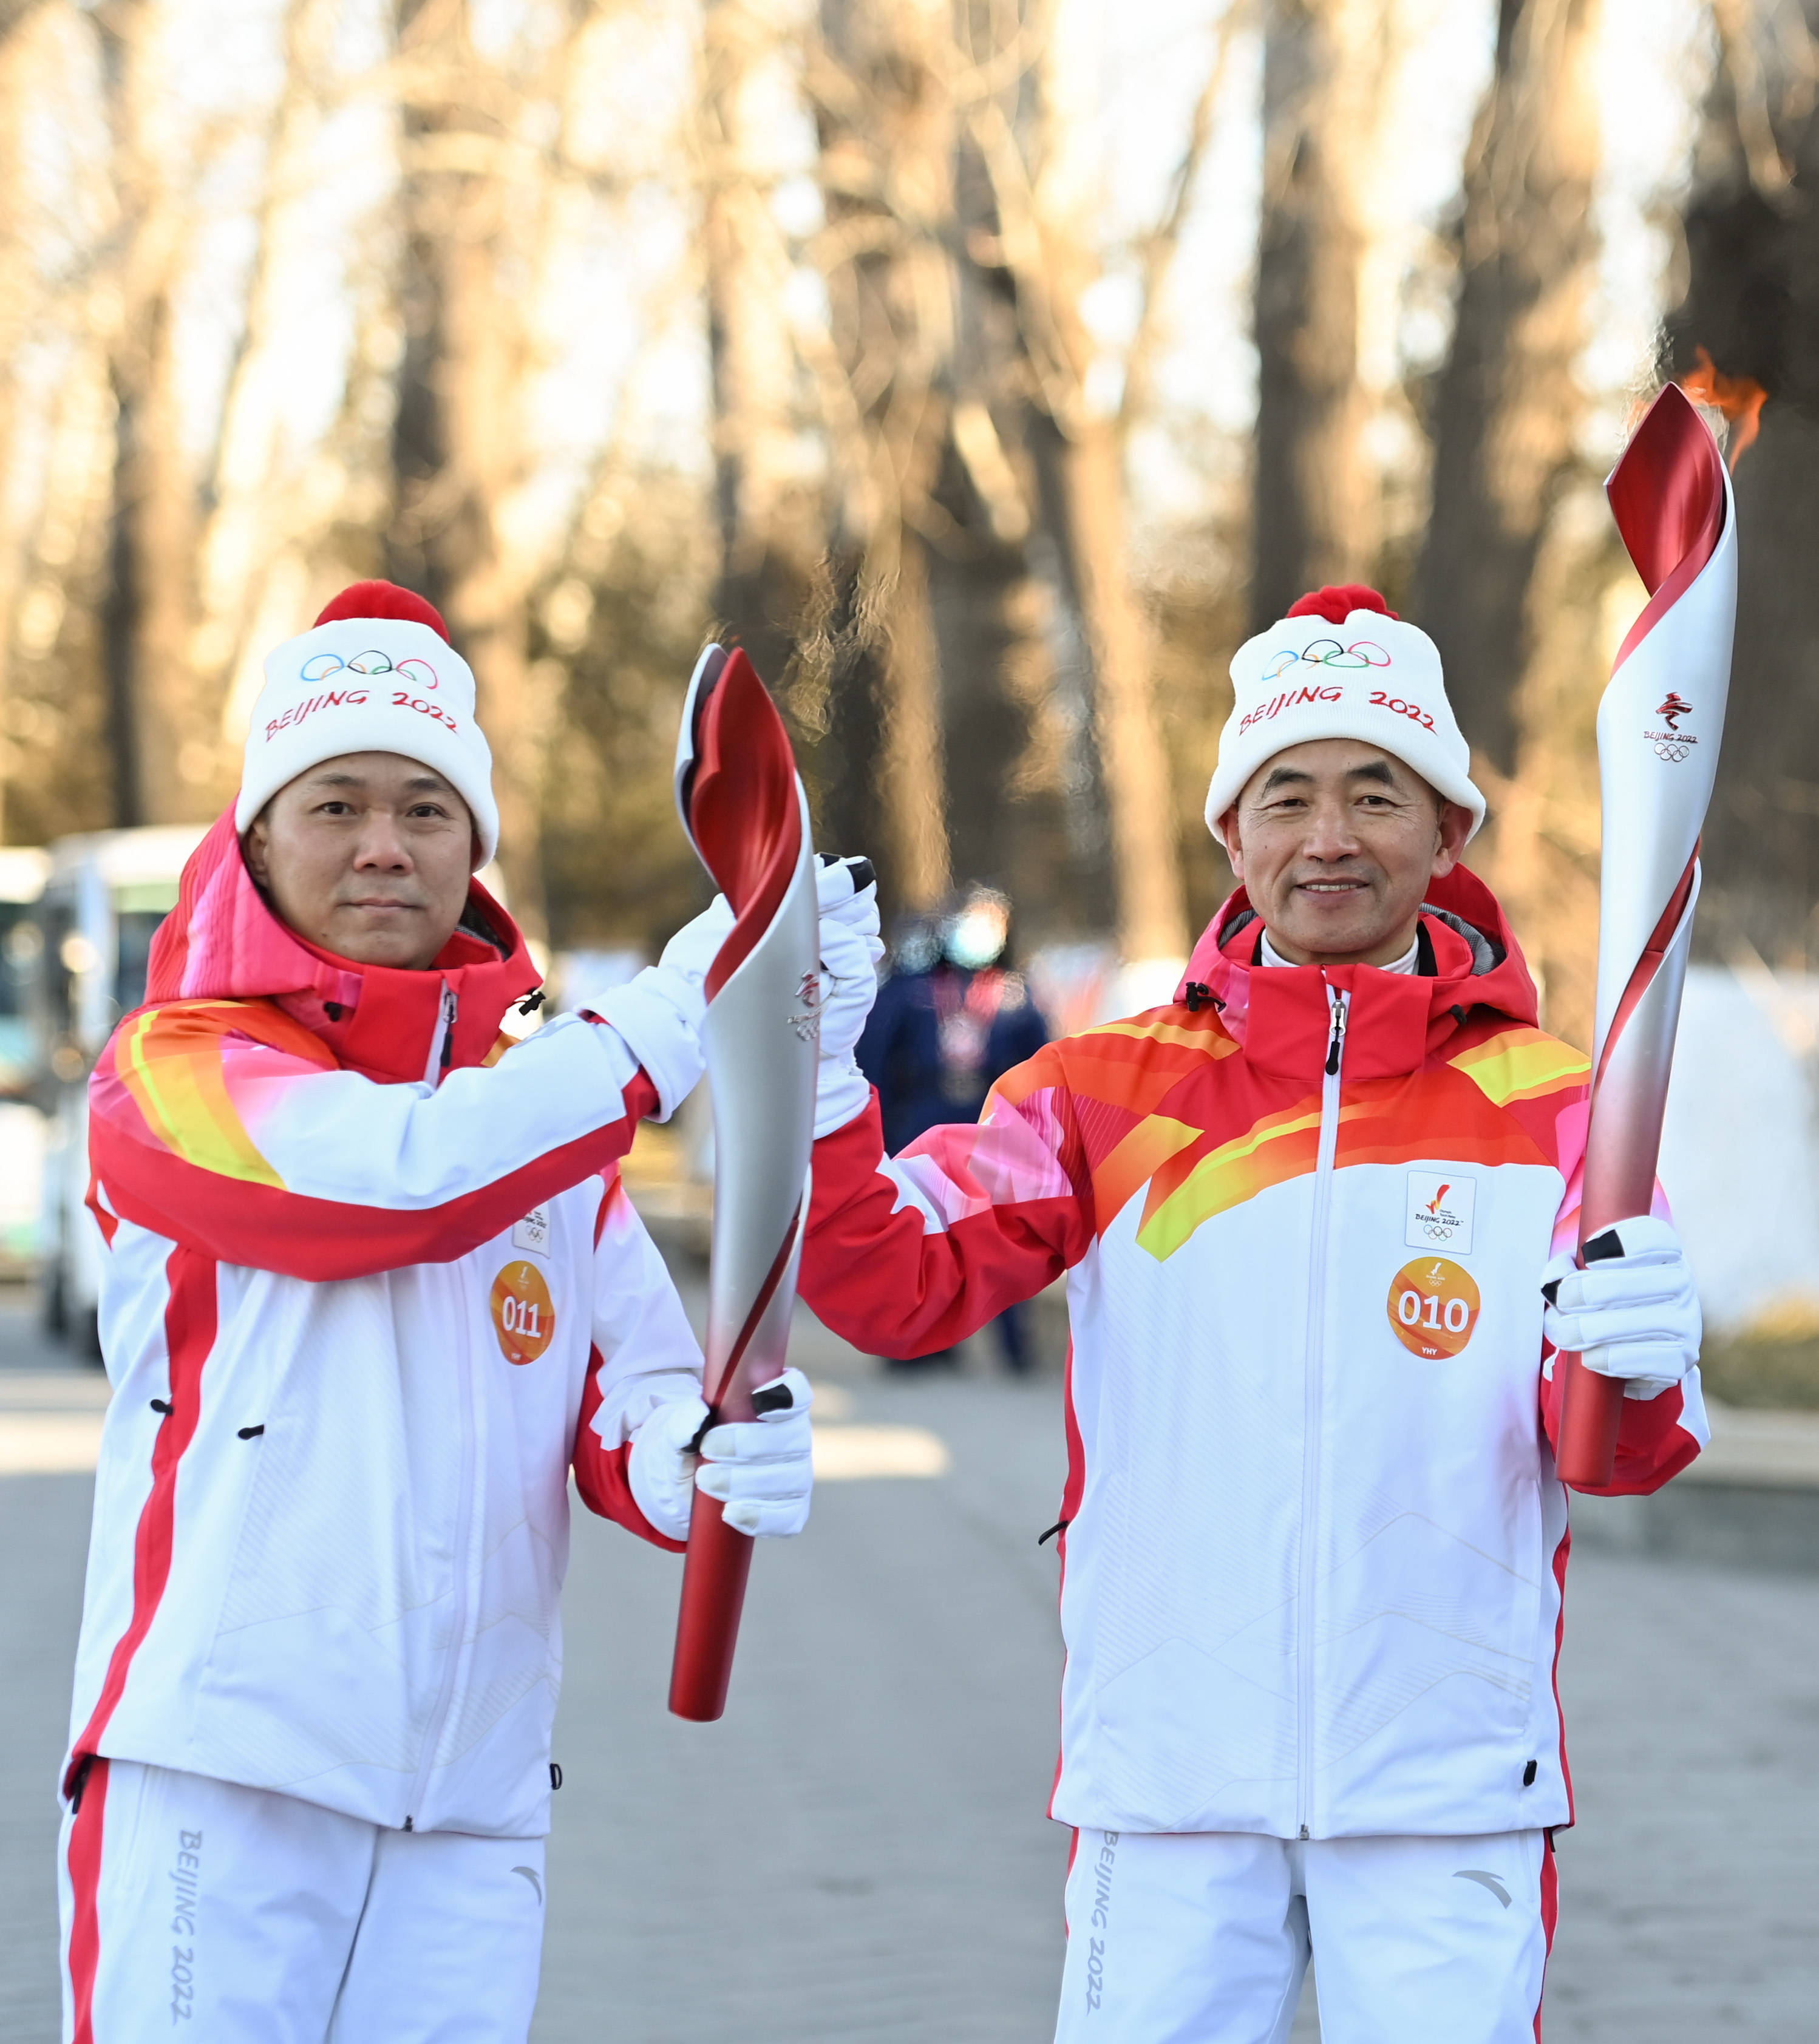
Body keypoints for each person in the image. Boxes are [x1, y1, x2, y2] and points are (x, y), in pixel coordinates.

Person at [795, 586, 1707, 2041]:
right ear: (1232, 834)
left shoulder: (1558, 1113)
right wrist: (814, 1080)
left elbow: (1612, 1455)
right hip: (1168, 1783)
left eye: (1376, 794)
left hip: (1443, 1789)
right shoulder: (1099, 1095)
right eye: (1288, 796)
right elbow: (886, 1286)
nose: (1328, 835)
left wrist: (1644, 1366)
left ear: (1447, 833)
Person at [57, 582, 815, 2042]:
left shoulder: (544, 1138)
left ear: (475, 850)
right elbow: (401, 1188)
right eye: (335, 804)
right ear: (256, 837)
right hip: (223, 1780)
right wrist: (666, 1022)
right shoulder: (170, 1073)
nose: (384, 844)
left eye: (425, 808)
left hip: (470, 1812)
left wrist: (696, 1459)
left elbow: (632, 1391)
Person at [856, 884, 1051, 1370]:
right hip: (922, 1118)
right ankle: (919, 1345)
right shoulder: (913, 989)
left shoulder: (1017, 992)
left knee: (1003, 1234)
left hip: (993, 1125)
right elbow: (875, 1059)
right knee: (918, 1231)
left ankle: (1015, 1348)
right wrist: (876, 1131)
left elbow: (1043, 1068)